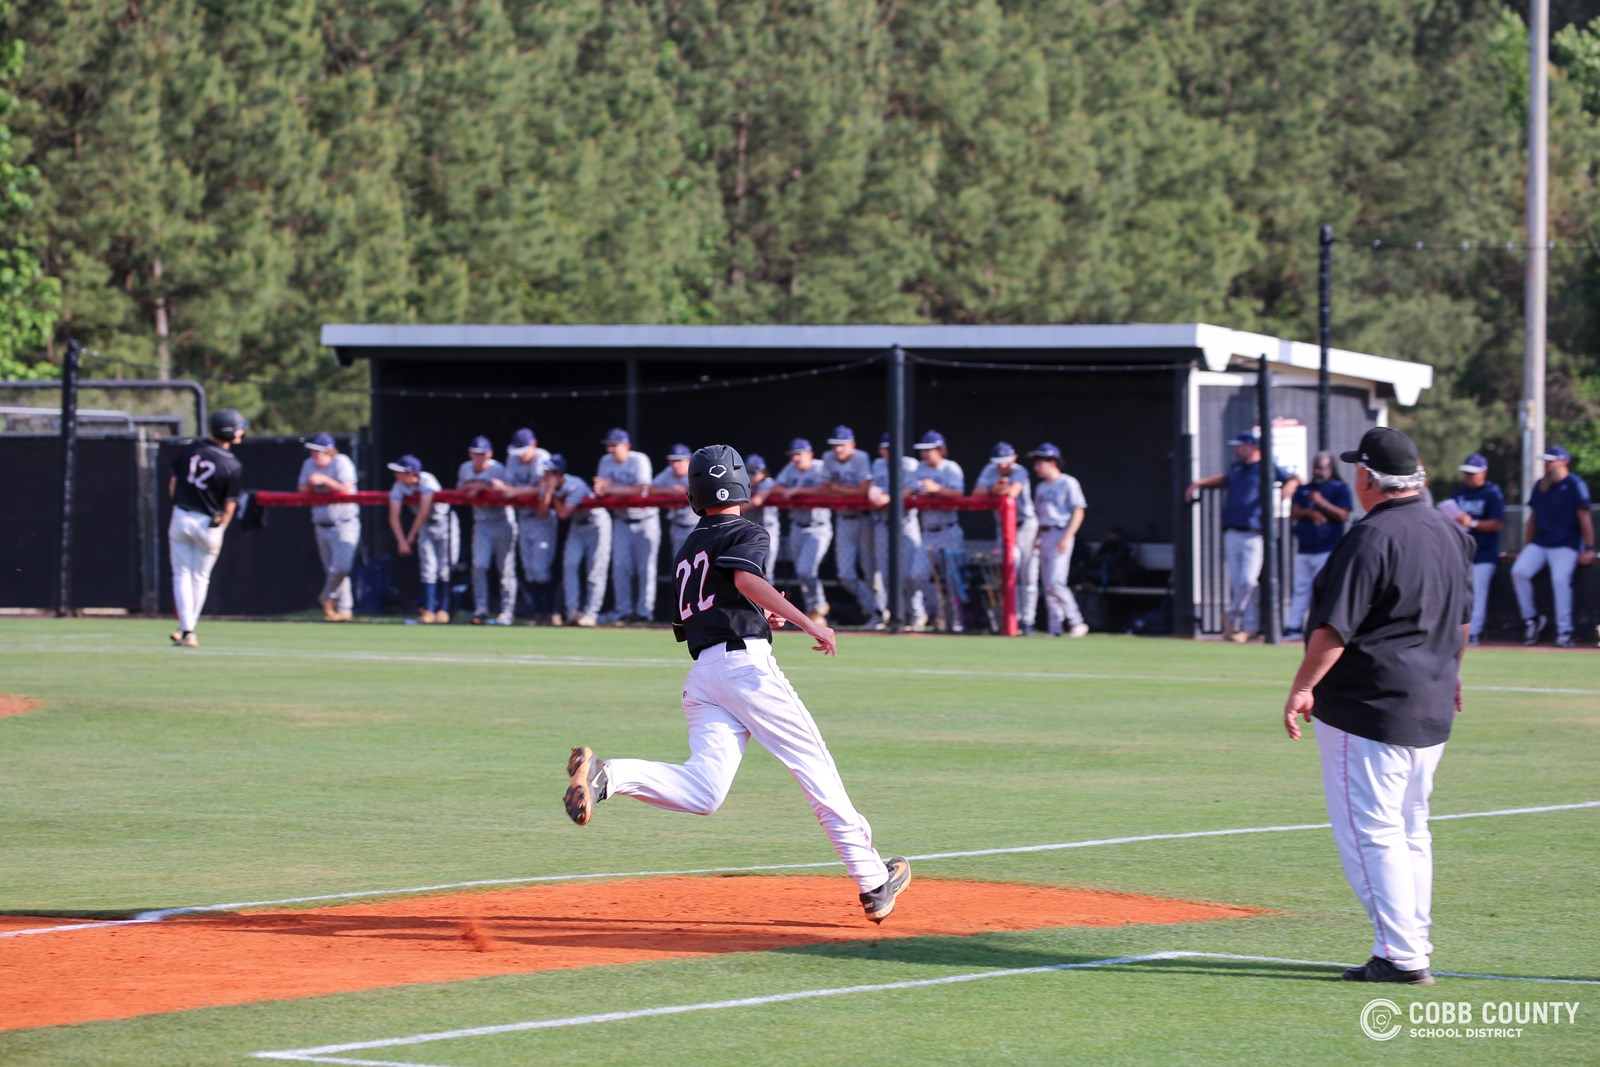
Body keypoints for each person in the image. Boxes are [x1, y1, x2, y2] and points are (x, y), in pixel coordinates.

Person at [562, 444, 912, 924]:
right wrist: (807, 621)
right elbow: (745, 580)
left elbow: (696, 618)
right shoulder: (746, 529)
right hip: (746, 671)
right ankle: (874, 881)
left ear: (695, 492)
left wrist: (759, 613)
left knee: (705, 791)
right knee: (816, 770)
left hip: (704, 676)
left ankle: (610, 775)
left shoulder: (687, 549)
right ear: (743, 484)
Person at [1282, 426, 1472, 986]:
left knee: (1374, 833)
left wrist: (1302, 686)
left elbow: (1333, 630)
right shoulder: (1450, 531)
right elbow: (1461, 624)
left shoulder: (1371, 538)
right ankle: (1413, 942)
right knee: (1412, 829)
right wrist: (1453, 674)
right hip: (1430, 704)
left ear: (1366, 478)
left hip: (1369, 706)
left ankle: (1401, 954)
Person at [1185, 430, 1301, 642]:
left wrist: (1290, 485)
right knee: (1239, 582)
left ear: (1252, 447)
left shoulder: (1265, 467)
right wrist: (1200, 483)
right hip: (1232, 531)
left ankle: (1232, 616)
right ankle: (1246, 628)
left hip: (1254, 533)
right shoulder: (1236, 468)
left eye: (1240, 445)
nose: (1237, 449)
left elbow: (1294, 477)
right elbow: (1224, 479)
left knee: (1249, 581)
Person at [167, 407, 247, 647]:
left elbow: (173, 484)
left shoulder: (191, 449)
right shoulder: (232, 465)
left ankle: (187, 629)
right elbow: (229, 505)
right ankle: (188, 630)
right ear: (229, 432)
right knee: (200, 578)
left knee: (181, 575)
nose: (242, 432)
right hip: (209, 523)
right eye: (239, 428)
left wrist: (178, 507)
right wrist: (220, 529)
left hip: (182, 516)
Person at [1511, 445, 1595, 648]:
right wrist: (1526, 546)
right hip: (1540, 543)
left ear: (1563, 462)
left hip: (1566, 544)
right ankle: (1531, 620)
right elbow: (1532, 518)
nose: (1547, 464)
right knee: (1518, 571)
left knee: (1559, 579)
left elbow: (1584, 516)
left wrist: (1590, 547)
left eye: (1551, 460)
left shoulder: (1575, 484)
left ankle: (1564, 631)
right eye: (1546, 461)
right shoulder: (1541, 485)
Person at [1285, 452, 1353, 638]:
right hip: (1305, 548)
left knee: (1324, 589)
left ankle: (1320, 627)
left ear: (1330, 468)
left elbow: (1343, 515)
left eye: (1321, 467)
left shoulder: (1339, 488)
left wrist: (1321, 503)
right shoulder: (1305, 489)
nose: (1317, 471)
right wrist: (1310, 512)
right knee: (1301, 588)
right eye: (1315, 467)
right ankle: (1293, 626)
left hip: (1327, 548)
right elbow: (1294, 512)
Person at [594, 428, 658, 624]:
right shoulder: (605, 462)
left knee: (645, 568)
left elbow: (641, 489)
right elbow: (599, 490)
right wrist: (608, 490)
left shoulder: (639, 460)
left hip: (645, 520)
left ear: (627, 446)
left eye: (615, 445)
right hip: (621, 520)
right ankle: (623, 611)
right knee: (620, 567)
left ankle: (644, 612)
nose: (611, 449)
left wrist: (611, 489)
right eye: (608, 445)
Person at [975, 442, 1040, 635]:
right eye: (998, 463)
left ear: (1013, 458)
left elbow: (1012, 492)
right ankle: (1013, 619)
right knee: (1009, 572)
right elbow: (976, 494)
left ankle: (1028, 621)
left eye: (1005, 462)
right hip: (1004, 527)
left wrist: (996, 491)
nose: (1002, 467)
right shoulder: (990, 470)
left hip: (1025, 525)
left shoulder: (1020, 471)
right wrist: (993, 490)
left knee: (1028, 575)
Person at [386, 454, 457, 624]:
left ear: (411, 473)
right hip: (425, 526)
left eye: (400, 472)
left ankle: (444, 609)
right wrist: (401, 541)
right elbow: (393, 516)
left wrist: (410, 536)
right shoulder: (399, 485)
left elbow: (424, 511)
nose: (397, 475)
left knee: (445, 567)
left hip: (444, 522)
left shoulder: (427, 481)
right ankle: (429, 609)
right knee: (428, 567)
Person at [1028, 443, 1089, 639]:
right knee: (1047, 585)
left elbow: (1079, 511)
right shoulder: (1041, 487)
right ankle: (1055, 628)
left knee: (1056, 582)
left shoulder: (1068, 483)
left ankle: (1077, 621)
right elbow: (1039, 514)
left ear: (1052, 462)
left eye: (1040, 463)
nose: (1036, 467)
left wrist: (1067, 537)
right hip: (1045, 533)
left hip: (1060, 532)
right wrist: (1036, 538)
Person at [819, 426, 878, 625]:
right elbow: (824, 490)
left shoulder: (861, 457)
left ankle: (878, 613)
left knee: (870, 570)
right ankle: (873, 607)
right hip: (843, 519)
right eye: (835, 445)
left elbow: (864, 490)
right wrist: (847, 491)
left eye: (842, 445)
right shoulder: (828, 457)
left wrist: (837, 489)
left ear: (852, 445)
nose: (838, 449)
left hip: (864, 519)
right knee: (845, 574)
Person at [298, 432, 360, 622]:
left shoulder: (341, 462)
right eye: (312, 451)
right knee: (332, 570)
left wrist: (325, 481)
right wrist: (311, 483)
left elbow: (347, 489)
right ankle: (344, 609)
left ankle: (326, 596)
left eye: (318, 452)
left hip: (344, 523)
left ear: (329, 451)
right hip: (321, 523)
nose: (314, 455)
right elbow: (301, 490)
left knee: (341, 568)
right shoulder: (309, 465)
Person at [544, 454, 610, 628]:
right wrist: (550, 492)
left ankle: (590, 613)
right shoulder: (548, 486)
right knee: (570, 565)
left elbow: (563, 514)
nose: (546, 476)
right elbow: (544, 510)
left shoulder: (575, 485)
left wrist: (555, 496)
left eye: (550, 473)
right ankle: (572, 612)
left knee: (595, 570)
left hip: (595, 523)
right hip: (577, 525)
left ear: (559, 474)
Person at [770, 438, 832, 623]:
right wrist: (792, 490)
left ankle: (819, 605)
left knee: (806, 570)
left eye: (799, 454)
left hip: (818, 528)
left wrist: (798, 490)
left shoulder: (820, 467)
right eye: (793, 455)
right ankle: (814, 611)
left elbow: (826, 490)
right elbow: (776, 487)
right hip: (798, 526)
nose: (796, 458)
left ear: (810, 454)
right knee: (802, 571)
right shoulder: (791, 468)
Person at [457, 435, 517, 626]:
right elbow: (459, 492)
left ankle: (507, 611)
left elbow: (507, 491)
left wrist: (482, 486)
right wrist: (471, 486)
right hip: (482, 522)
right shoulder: (465, 468)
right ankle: (481, 608)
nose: (478, 458)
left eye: (482, 454)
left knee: (505, 569)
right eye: (475, 454)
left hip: (502, 521)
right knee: (479, 565)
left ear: (489, 455)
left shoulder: (497, 468)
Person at [870, 432, 927, 630]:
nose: (888, 452)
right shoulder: (878, 465)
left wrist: (887, 498)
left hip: (905, 524)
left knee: (911, 573)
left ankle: (917, 612)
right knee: (885, 575)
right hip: (883, 525)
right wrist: (877, 495)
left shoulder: (909, 464)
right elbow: (873, 489)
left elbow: (910, 490)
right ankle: (892, 613)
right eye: (885, 448)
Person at [911, 430, 966, 632]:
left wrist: (937, 489)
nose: (925, 454)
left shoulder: (951, 468)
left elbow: (959, 495)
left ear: (940, 450)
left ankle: (957, 620)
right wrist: (921, 493)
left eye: (929, 450)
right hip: (927, 530)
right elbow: (912, 493)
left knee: (952, 578)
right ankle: (939, 613)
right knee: (918, 575)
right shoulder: (919, 468)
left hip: (948, 529)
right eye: (923, 450)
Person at [1448, 453, 1505, 646]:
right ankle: (1456, 632)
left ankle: (1473, 633)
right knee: (1458, 594)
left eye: (1472, 474)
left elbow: (1497, 523)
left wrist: (1471, 522)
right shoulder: (1459, 493)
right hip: (1461, 552)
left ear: (1484, 473)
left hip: (1484, 552)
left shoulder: (1492, 493)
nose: (1468, 477)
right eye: (1466, 473)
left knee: (1478, 593)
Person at [505, 427, 558, 625]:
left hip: (542, 518)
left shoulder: (542, 458)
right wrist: (514, 491)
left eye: (523, 451)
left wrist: (514, 492)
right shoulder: (513, 460)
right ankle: (538, 613)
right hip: (523, 517)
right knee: (529, 569)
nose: (519, 456)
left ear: (533, 445)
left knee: (541, 567)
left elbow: (541, 489)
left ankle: (551, 612)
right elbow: (507, 488)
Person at [654, 443, 700, 559]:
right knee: (679, 561)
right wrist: (669, 490)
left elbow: (708, 490)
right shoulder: (668, 473)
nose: (675, 465)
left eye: (679, 460)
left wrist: (685, 491)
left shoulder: (697, 472)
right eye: (672, 461)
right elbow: (649, 489)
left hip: (698, 526)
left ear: (688, 460)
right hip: (677, 526)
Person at [743, 453, 780, 581]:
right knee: (748, 569)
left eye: (754, 471)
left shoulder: (768, 483)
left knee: (766, 571)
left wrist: (733, 510)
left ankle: (768, 600)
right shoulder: (742, 484)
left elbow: (757, 501)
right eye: (747, 471)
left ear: (763, 472)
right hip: (749, 531)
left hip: (768, 531)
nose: (750, 475)